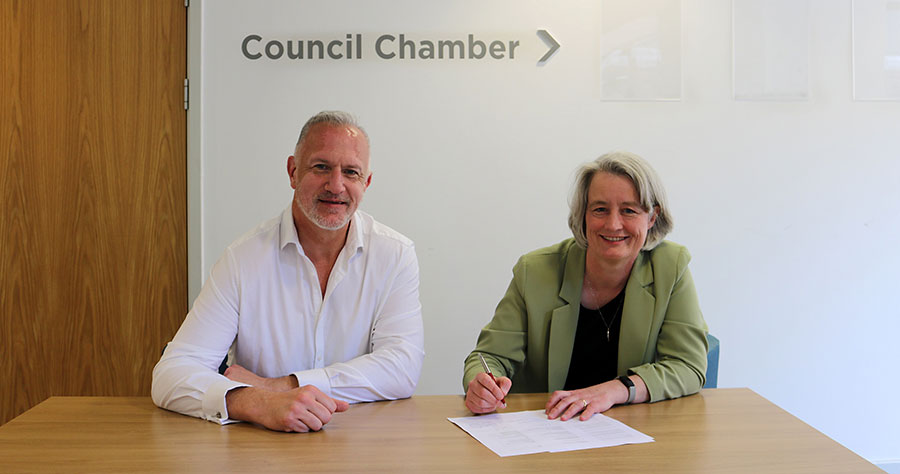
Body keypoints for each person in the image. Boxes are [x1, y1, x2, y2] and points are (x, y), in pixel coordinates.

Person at [152, 111, 425, 432]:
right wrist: (254, 401)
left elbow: (402, 368)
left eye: (350, 172)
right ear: (293, 171)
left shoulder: (395, 254)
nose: (336, 185)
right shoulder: (243, 258)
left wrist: (280, 385)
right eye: (321, 167)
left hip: (357, 442)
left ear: (366, 183)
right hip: (261, 445)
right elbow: (171, 374)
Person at [462, 151, 707, 421]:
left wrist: (616, 390)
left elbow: (688, 366)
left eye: (629, 210)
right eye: (600, 209)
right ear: (583, 216)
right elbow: (489, 356)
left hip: (633, 431)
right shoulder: (535, 272)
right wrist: (481, 385)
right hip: (547, 429)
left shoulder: (670, 267)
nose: (613, 224)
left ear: (651, 218)